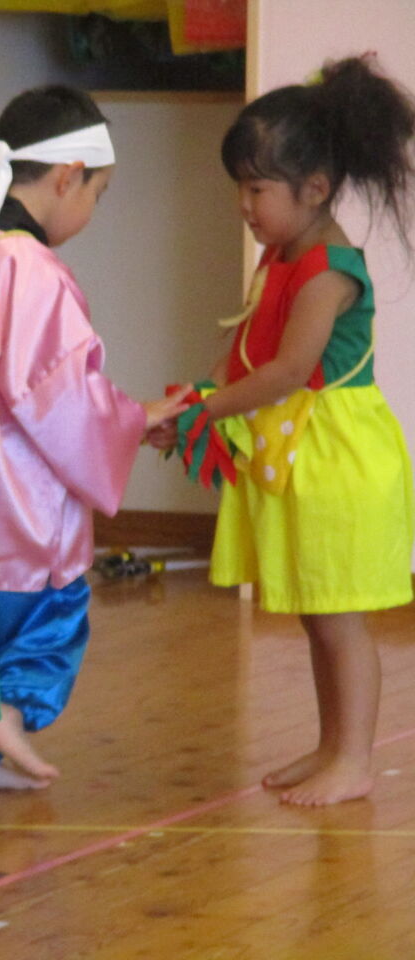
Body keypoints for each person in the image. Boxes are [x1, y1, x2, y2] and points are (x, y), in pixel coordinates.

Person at [0, 86, 191, 792]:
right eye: (98, 191)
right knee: (43, 633)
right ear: (68, 177)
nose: (94, 209)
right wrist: (135, 418)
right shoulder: (36, 273)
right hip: (20, 515)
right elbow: (62, 400)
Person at [189, 56, 415, 806]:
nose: (244, 205)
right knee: (320, 616)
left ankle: (355, 760)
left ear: (314, 188)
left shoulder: (327, 268)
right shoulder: (282, 254)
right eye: (240, 188)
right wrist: (199, 403)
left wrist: (207, 410)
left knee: (341, 620)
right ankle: (330, 747)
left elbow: (289, 370)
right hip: (305, 456)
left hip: (339, 459)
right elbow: (250, 351)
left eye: (257, 189)